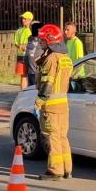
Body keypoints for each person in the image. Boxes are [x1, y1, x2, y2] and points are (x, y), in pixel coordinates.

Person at [34, 24, 73, 181]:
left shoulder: (51, 59)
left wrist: (39, 101)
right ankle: (67, 169)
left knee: (52, 138)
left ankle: (55, 171)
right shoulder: (66, 59)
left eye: (42, 40)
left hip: (51, 106)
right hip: (63, 105)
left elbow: (47, 83)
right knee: (62, 137)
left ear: (49, 41)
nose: (40, 43)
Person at [13, 11, 34, 89]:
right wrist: (20, 46)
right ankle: (23, 93)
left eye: (25, 19)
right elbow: (16, 43)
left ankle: (30, 92)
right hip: (22, 56)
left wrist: (25, 46)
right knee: (23, 75)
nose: (23, 20)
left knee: (31, 75)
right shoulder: (19, 31)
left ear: (30, 20)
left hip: (30, 56)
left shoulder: (32, 30)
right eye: (22, 18)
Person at [24, 21, 44, 87]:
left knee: (37, 88)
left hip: (38, 70)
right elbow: (28, 50)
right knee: (30, 88)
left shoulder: (43, 38)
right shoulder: (30, 38)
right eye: (31, 28)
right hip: (30, 69)